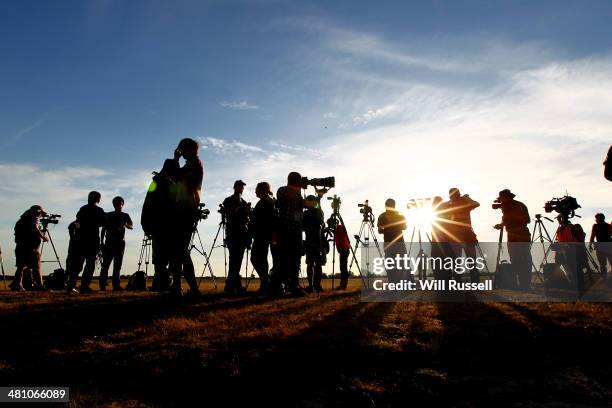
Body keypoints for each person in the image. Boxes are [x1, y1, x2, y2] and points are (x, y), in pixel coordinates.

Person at [167, 138, 203, 297]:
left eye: (181, 148)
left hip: (186, 211)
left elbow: (178, 178)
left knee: (180, 250)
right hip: (184, 210)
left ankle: (185, 288)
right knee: (179, 250)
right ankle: (182, 287)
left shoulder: (194, 164)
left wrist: (174, 160)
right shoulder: (192, 164)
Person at [142, 159, 177, 292]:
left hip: (158, 226)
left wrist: (146, 225)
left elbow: (146, 204)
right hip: (166, 226)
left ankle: (161, 286)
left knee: (160, 260)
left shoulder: (155, 182)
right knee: (167, 259)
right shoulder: (168, 184)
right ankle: (166, 286)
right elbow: (148, 204)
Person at [66, 192, 106, 293]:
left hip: (80, 241)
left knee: (78, 265)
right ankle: (84, 286)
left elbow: (76, 223)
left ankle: (71, 285)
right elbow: (104, 222)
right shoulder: (98, 210)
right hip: (92, 241)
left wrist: (73, 238)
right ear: (98, 199)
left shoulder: (83, 209)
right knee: (89, 265)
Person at [493, 189, 533, 290]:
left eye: (501, 199)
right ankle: (525, 284)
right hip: (522, 235)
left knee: (518, 259)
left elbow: (509, 219)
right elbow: (527, 220)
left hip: (516, 236)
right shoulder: (519, 205)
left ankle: (523, 284)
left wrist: (503, 224)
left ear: (505, 198)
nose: (500, 201)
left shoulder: (509, 206)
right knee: (525, 259)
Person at [273, 172, 305, 296]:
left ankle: (294, 286)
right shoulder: (282, 190)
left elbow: (305, 206)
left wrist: (318, 197)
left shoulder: (298, 194)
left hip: (296, 231)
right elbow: (285, 197)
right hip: (284, 230)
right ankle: (280, 286)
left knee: (296, 260)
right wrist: (298, 190)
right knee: (283, 259)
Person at [445, 188, 481, 283]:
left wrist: (466, 199)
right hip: (459, 234)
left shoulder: (454, 203)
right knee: (461, 260)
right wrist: (466, 199)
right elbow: (476, 204)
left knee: (464, 260)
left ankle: (466, 282)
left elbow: (476, 204)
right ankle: (464, 282)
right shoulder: (453, 204)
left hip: (462, 234)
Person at [222, 180, 251, 295]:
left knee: (237, 261)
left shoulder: (243, 202)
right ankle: (230, 286)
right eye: (240, 187)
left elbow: (246, 219)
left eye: (242, 188)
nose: (241, 190)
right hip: (233, 234)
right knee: (234, 260)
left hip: (242, 234)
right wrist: (239, 207)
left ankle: (234, 286)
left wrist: (247, 212)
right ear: (234, 187)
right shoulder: (228, 200)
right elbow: (229, 215)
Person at [10, 205, 48, 291]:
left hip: (20, 246)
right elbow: (34, 229)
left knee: (21, 266)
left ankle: (16, 284)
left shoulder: (21, 220)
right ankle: (40, 285)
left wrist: (43, 229)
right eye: (40, 213)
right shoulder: (34, 218)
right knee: (36, 267)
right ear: (37, 212)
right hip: (31, 247)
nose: (41, 215)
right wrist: (43, 237)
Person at [99, 196, 133, 291]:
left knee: (117, 265)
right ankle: (102, 284)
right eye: (117, 204)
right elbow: (103, 229)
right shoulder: (108, 215)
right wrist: (101, 242)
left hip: (120, 243)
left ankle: (116, 285)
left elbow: (131, 225)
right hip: (109, 243)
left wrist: (125, 225)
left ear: (122, 205)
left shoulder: (125, 215)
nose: (119, 205)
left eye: (120, 204)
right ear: (114, 205)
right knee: (105, 265)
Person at [249, 181, 276, 295]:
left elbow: (265, 218)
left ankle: (266, 282)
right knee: (261, 259)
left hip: (263, 235)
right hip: (265, 235)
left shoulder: (267, 201)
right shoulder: (267, 201)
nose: (255, 191)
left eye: (257, 189)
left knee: (256, 258)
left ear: (262, 190)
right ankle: (266, 283)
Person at [377, 198, 409, 283]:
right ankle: (406, 283)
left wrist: (387, 229)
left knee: (390, 264)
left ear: (385, 206)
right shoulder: (400, 215)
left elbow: (379, 231)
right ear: (394, 206)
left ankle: (393, 283)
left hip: (389, 243)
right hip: (399, 242)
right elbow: (405, 227)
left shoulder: (381, 216)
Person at [303, 195, 327, 293]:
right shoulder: (314, 212)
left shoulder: (315, 212)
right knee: (313, 264)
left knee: (315, 264)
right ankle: (314, 286)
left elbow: (319, 223)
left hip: (315, 241)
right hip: (313, 241)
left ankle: (315, 285)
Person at [430, 196, 454, 281]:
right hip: (442, 243)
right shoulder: (440, 212)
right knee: (444, 263)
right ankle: (445, 283)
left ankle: (444, 284)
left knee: (439, 263)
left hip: (440, 243)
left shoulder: (436, 213)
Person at [589, 213, 611, 284]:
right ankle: (604, 278)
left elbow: (592, 235)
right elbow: (592, 236)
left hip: (604, 247)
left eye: (597, 218)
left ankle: (604, 279)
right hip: (604, 247)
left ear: (601, 218)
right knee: (602, 264)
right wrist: (590, 244)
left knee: (603, 264)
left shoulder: (606, 226)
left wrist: (590, 244)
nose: (596, 220)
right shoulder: (607, 226)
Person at [334, 222, 351, 290]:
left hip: (344, 249)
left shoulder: (339, 227)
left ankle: (343, 284)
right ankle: (343, 284)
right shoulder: (338, 228)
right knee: (343, 267)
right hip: (343, 249)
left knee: (343, 267)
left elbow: (338, 231)